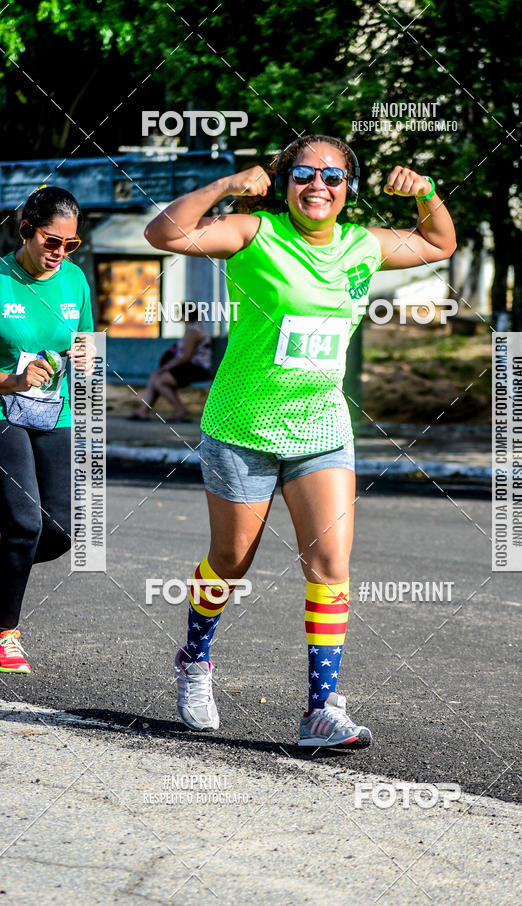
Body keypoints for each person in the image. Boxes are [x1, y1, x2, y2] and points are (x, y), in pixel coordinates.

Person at [145, 134, 456, 748]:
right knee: (231, 562)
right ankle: (195, 659)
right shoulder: (252, 233)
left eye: (334, 177)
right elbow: (165, 234)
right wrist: (228, 184)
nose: (319, 186)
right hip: (243, 428)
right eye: (305, 175)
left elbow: (439, 244)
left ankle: (320, 709)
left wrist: (426, 192)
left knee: (331, 566)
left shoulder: (362, 244)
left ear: (349, 187)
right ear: (285, 184)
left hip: (321, 429)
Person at [0, 186, 94, 673]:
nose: (59, 252)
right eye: (51, 241)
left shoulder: (75, 281)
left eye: (70, 244)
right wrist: (12, 380)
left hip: (54, 413)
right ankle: (6, 631)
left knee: (59, 531)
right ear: (26, 231)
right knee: (24, 522)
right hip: (3, 414)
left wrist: (86, 357)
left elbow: (90, 347)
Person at [130, 304, 211, 422]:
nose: (180, 316)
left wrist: (166, 367)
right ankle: (143, 411)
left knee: (160, 381)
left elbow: (186, 357)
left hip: (197, 370)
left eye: (181, 313)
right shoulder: (194, 328)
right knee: (155, 376)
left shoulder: (193, 332)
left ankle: (180, 410)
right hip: (190, 368)